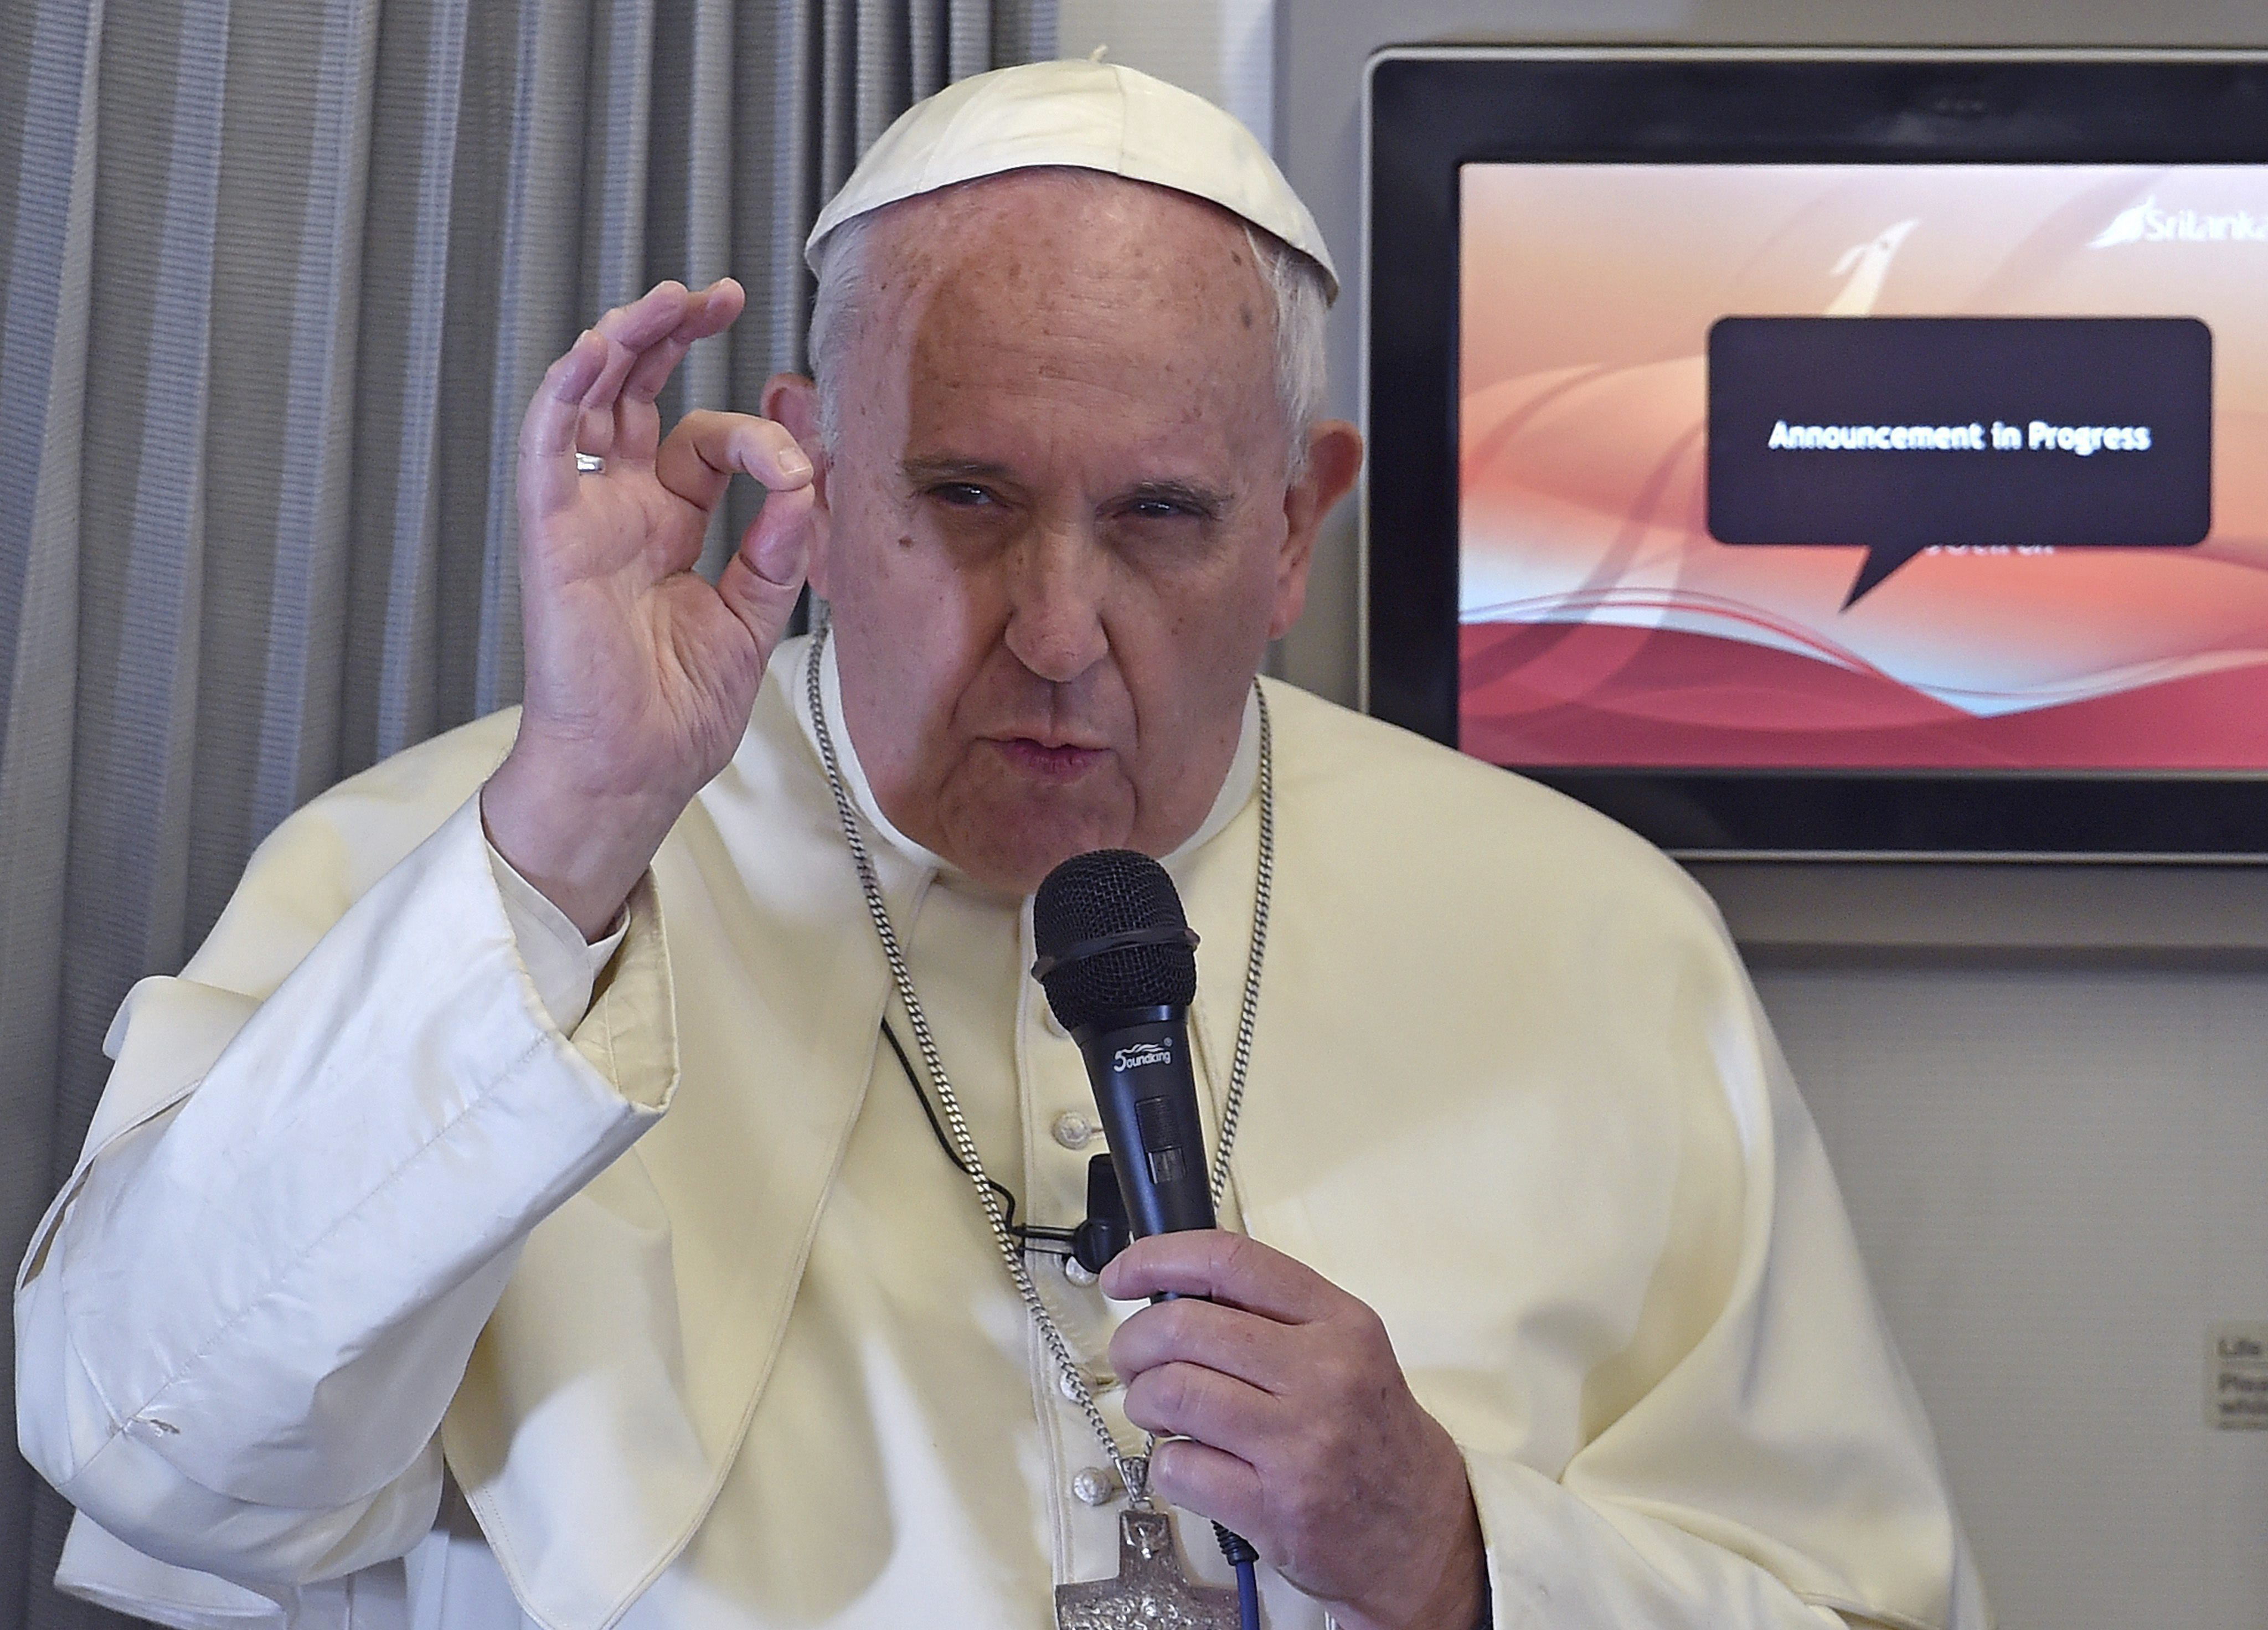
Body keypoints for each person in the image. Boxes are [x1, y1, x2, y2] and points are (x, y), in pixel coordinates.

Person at [16, 59, 1988, 1630]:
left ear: (1299, 524)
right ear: (804, 453)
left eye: (1160, 518)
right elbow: (145, 1449)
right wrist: (581, 825)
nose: (1054, 633)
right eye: (961, 496)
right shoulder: (465, 858)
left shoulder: (1601, 946)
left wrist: (1464, 1559)